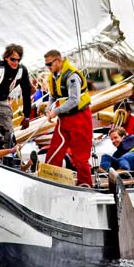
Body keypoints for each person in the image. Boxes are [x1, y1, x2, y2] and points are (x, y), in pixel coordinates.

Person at [44, 49, 93, 187]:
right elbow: (54, 95)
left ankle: (86, 184)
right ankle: (51, 181)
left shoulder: (72, 76)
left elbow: (74, 100)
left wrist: (56, 111)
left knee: (80, 156)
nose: (48, 68)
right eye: (46, 65)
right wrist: (49, 108)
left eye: (50, 64)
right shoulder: (53, 76)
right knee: (55, 150)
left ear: (58, 61)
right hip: (64, 119)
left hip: (80, 119)